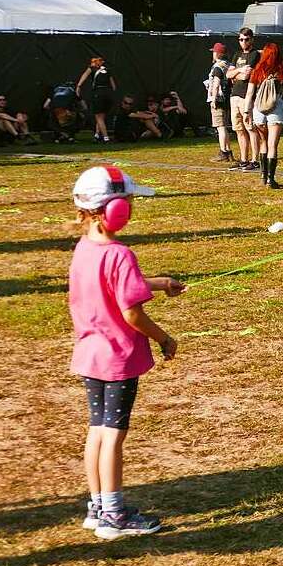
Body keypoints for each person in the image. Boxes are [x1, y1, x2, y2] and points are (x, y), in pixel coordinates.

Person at [69, 165, 183, 538]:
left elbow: (114, 285)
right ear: (114, 208)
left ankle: (97, 506)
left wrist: (160, 283)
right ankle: (114, 515)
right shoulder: (120, 254)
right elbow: (131, 310)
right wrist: (163, 338)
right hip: (118, 360)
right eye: (129, 200)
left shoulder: (84, 248)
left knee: (98, 430)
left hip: (91, 356)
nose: (132, 206)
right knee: (114, 434)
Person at [244, 43, 283, 189]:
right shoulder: (281, 72)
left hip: (259, 109)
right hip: (275, 108)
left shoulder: (257, 71)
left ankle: (263, 176)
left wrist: (247, 112)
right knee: (273, 145)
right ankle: (271, 180)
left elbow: (249, 94)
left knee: (263, 142)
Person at [228, 28, 261, 172]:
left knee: (251, 127)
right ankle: (243, 159)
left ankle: (255, 160)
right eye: (241, 39)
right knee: (238, 129)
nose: (243, 42)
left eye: (246, 39)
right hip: (234, 95)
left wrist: (237, 74)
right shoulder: (236, 54)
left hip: (247, 96)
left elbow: (247, 76)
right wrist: (239, 71)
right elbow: (229, 74)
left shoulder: (255, 55)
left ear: (252, 39)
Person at [76, 57, 117, 143]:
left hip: (98, 94)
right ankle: (97, 135)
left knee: (98, 117)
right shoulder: (107, 70)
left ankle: (106, 138)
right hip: (108, 94)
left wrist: (78, 86)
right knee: (102, 116)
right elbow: (113, 86)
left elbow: (84, 76)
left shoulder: (92, 68)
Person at [205, 42, 234, 162]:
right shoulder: (228, 65)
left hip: (219, 100)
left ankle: (223, 152)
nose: (213, 54)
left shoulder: (218, 67)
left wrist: (213, 99)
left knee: (220, 127)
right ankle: (228, 151)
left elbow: (216, 84)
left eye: (214, 52)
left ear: (217, 53)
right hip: (228, 99)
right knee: (225, 127)